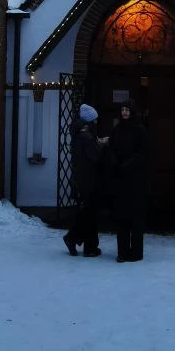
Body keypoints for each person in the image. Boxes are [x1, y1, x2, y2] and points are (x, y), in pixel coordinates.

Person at [63, 103, 105, 257]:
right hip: (88, 180)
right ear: (90, 121)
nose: (96, 123)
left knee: (87, 213)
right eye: (94, 120)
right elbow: (94, 156)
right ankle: (79, 241)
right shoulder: (85, 137)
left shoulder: (80, 133)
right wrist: (101, 145)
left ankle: (82, 242)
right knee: (89, 214)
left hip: (82, 179)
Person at [110, 101, 147, 262]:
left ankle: (136, 252)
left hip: (135, 178)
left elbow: (143, 151)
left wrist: (129, 164)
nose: (124, 112)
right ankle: (122, 251)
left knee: (135, 216)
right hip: (120, 177)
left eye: (127, 110)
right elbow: (111, 148)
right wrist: (116, 163)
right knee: (121, 216)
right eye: (122, 110)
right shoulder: (117, 129)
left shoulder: (139, 129)